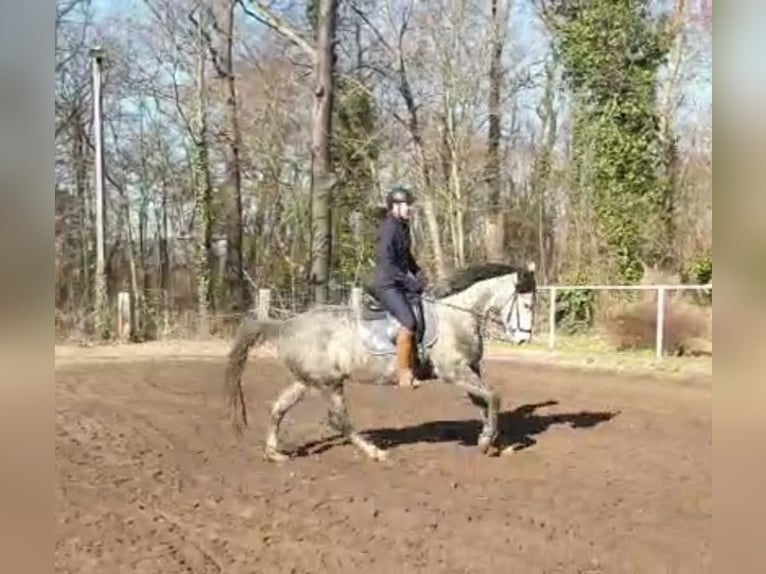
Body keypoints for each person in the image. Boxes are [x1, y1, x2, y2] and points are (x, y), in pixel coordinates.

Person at [372, 186, 425, 388]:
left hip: (399, 281)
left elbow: (406, 257)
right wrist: (409, 281)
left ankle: (416, 363)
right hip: (387, 284)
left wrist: (419, 273)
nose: (410, 208)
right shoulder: (389, 228)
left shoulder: (403, 226)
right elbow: (388, 261)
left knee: (421, 311)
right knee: (409, 322)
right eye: (407, 205)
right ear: (396, 206)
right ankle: (402, 373)